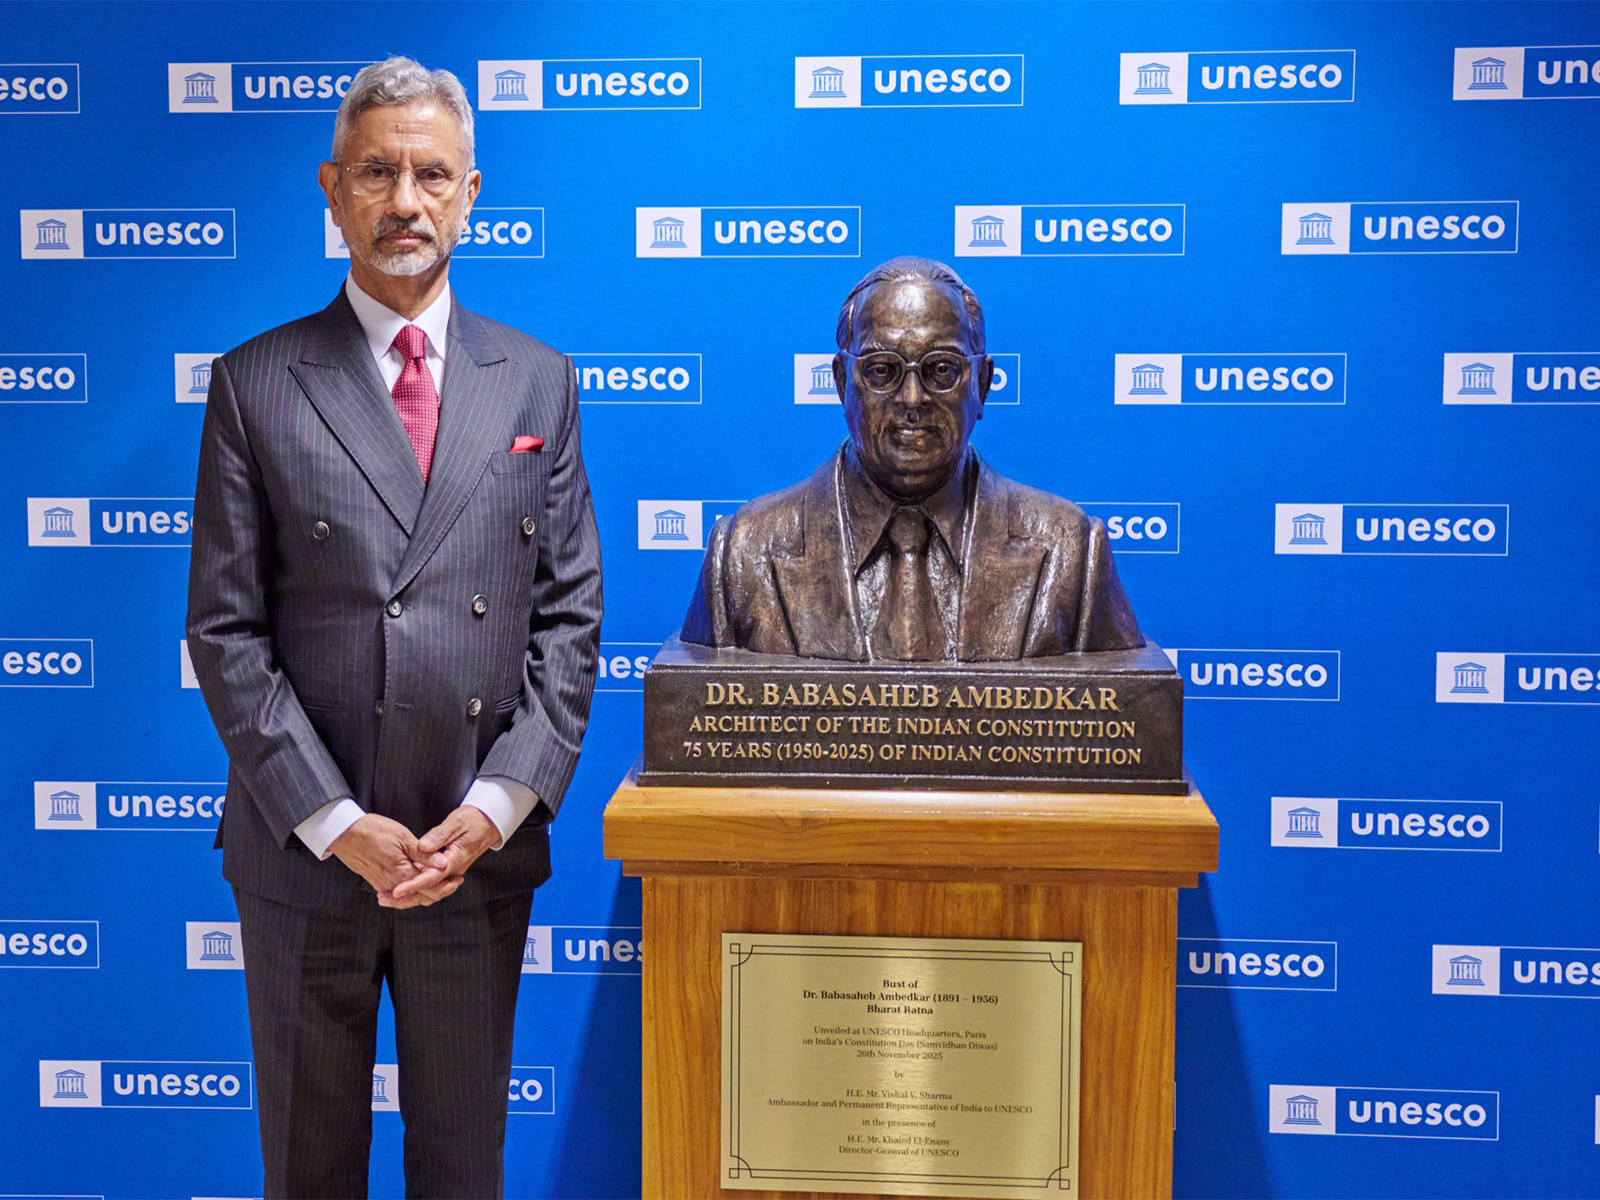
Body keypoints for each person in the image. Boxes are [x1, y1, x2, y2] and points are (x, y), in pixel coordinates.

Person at [185, 57, 602, 1198]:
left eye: (430, 174)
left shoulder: (537, 382)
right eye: (377, 172)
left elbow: (568, 625)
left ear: (473, 191)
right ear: (332, 189)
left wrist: (490, 809)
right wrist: (334, 821)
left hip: (471, 853)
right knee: (309, 1169)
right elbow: (225, 634)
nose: (404, 201)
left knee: (463, 1168)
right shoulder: (256, 381)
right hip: (309, 858)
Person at [681, 256, 1142, 662]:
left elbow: (1131, 732)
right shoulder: (743, 551)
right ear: (842, 383)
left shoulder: (1072, 551)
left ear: (982, 383)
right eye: (882, 371)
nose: (912, 399)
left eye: (942, 369)